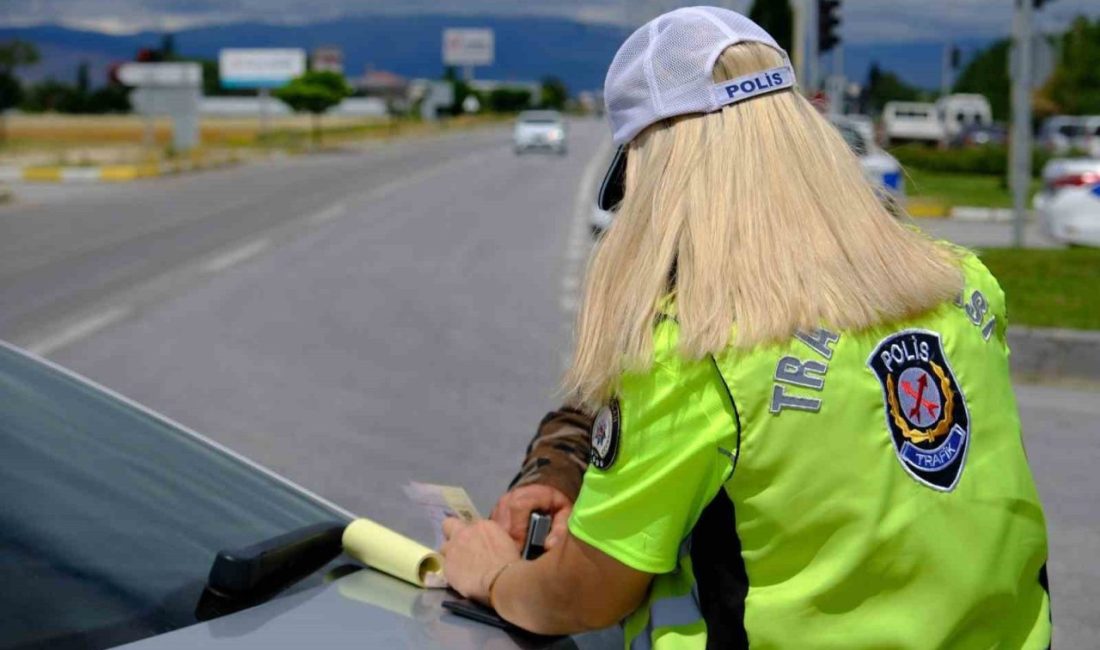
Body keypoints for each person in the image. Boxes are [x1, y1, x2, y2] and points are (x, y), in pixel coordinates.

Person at [440, 7, 1052, 648]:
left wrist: (495, 575)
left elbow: (587, 594)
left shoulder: (701, 350)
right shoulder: (965, 285)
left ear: (661, 174)